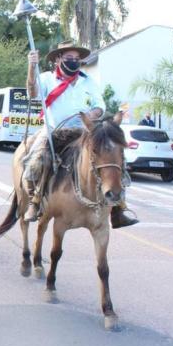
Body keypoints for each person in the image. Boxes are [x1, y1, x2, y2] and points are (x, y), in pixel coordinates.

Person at [23, 41, 137, 228]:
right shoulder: (46, 79)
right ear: (58, 59)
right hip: (54, 130)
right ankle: (34, 202)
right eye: (69, 58)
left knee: (113, 159)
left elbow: (100, 106)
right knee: (36, 161)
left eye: (77, 59)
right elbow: (32, 94)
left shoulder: (88, 81)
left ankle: (118, 209)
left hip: (84, 130)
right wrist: (31, 66)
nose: (74, 62)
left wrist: (94, 114)